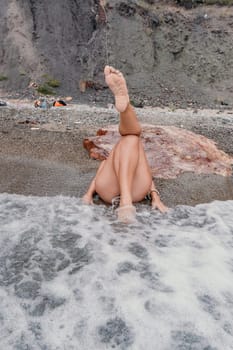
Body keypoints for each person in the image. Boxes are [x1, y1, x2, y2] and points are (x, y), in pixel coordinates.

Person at [82, 66, 168, 223]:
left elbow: (97, 178)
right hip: (137, 192)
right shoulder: (133, 151)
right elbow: (149, 177)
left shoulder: (108, 159)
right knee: (133, 138)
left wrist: (88, 195)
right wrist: (155, 198)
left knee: (131, 138)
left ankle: (125, 107)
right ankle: (125, 107)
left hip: (107, 192)